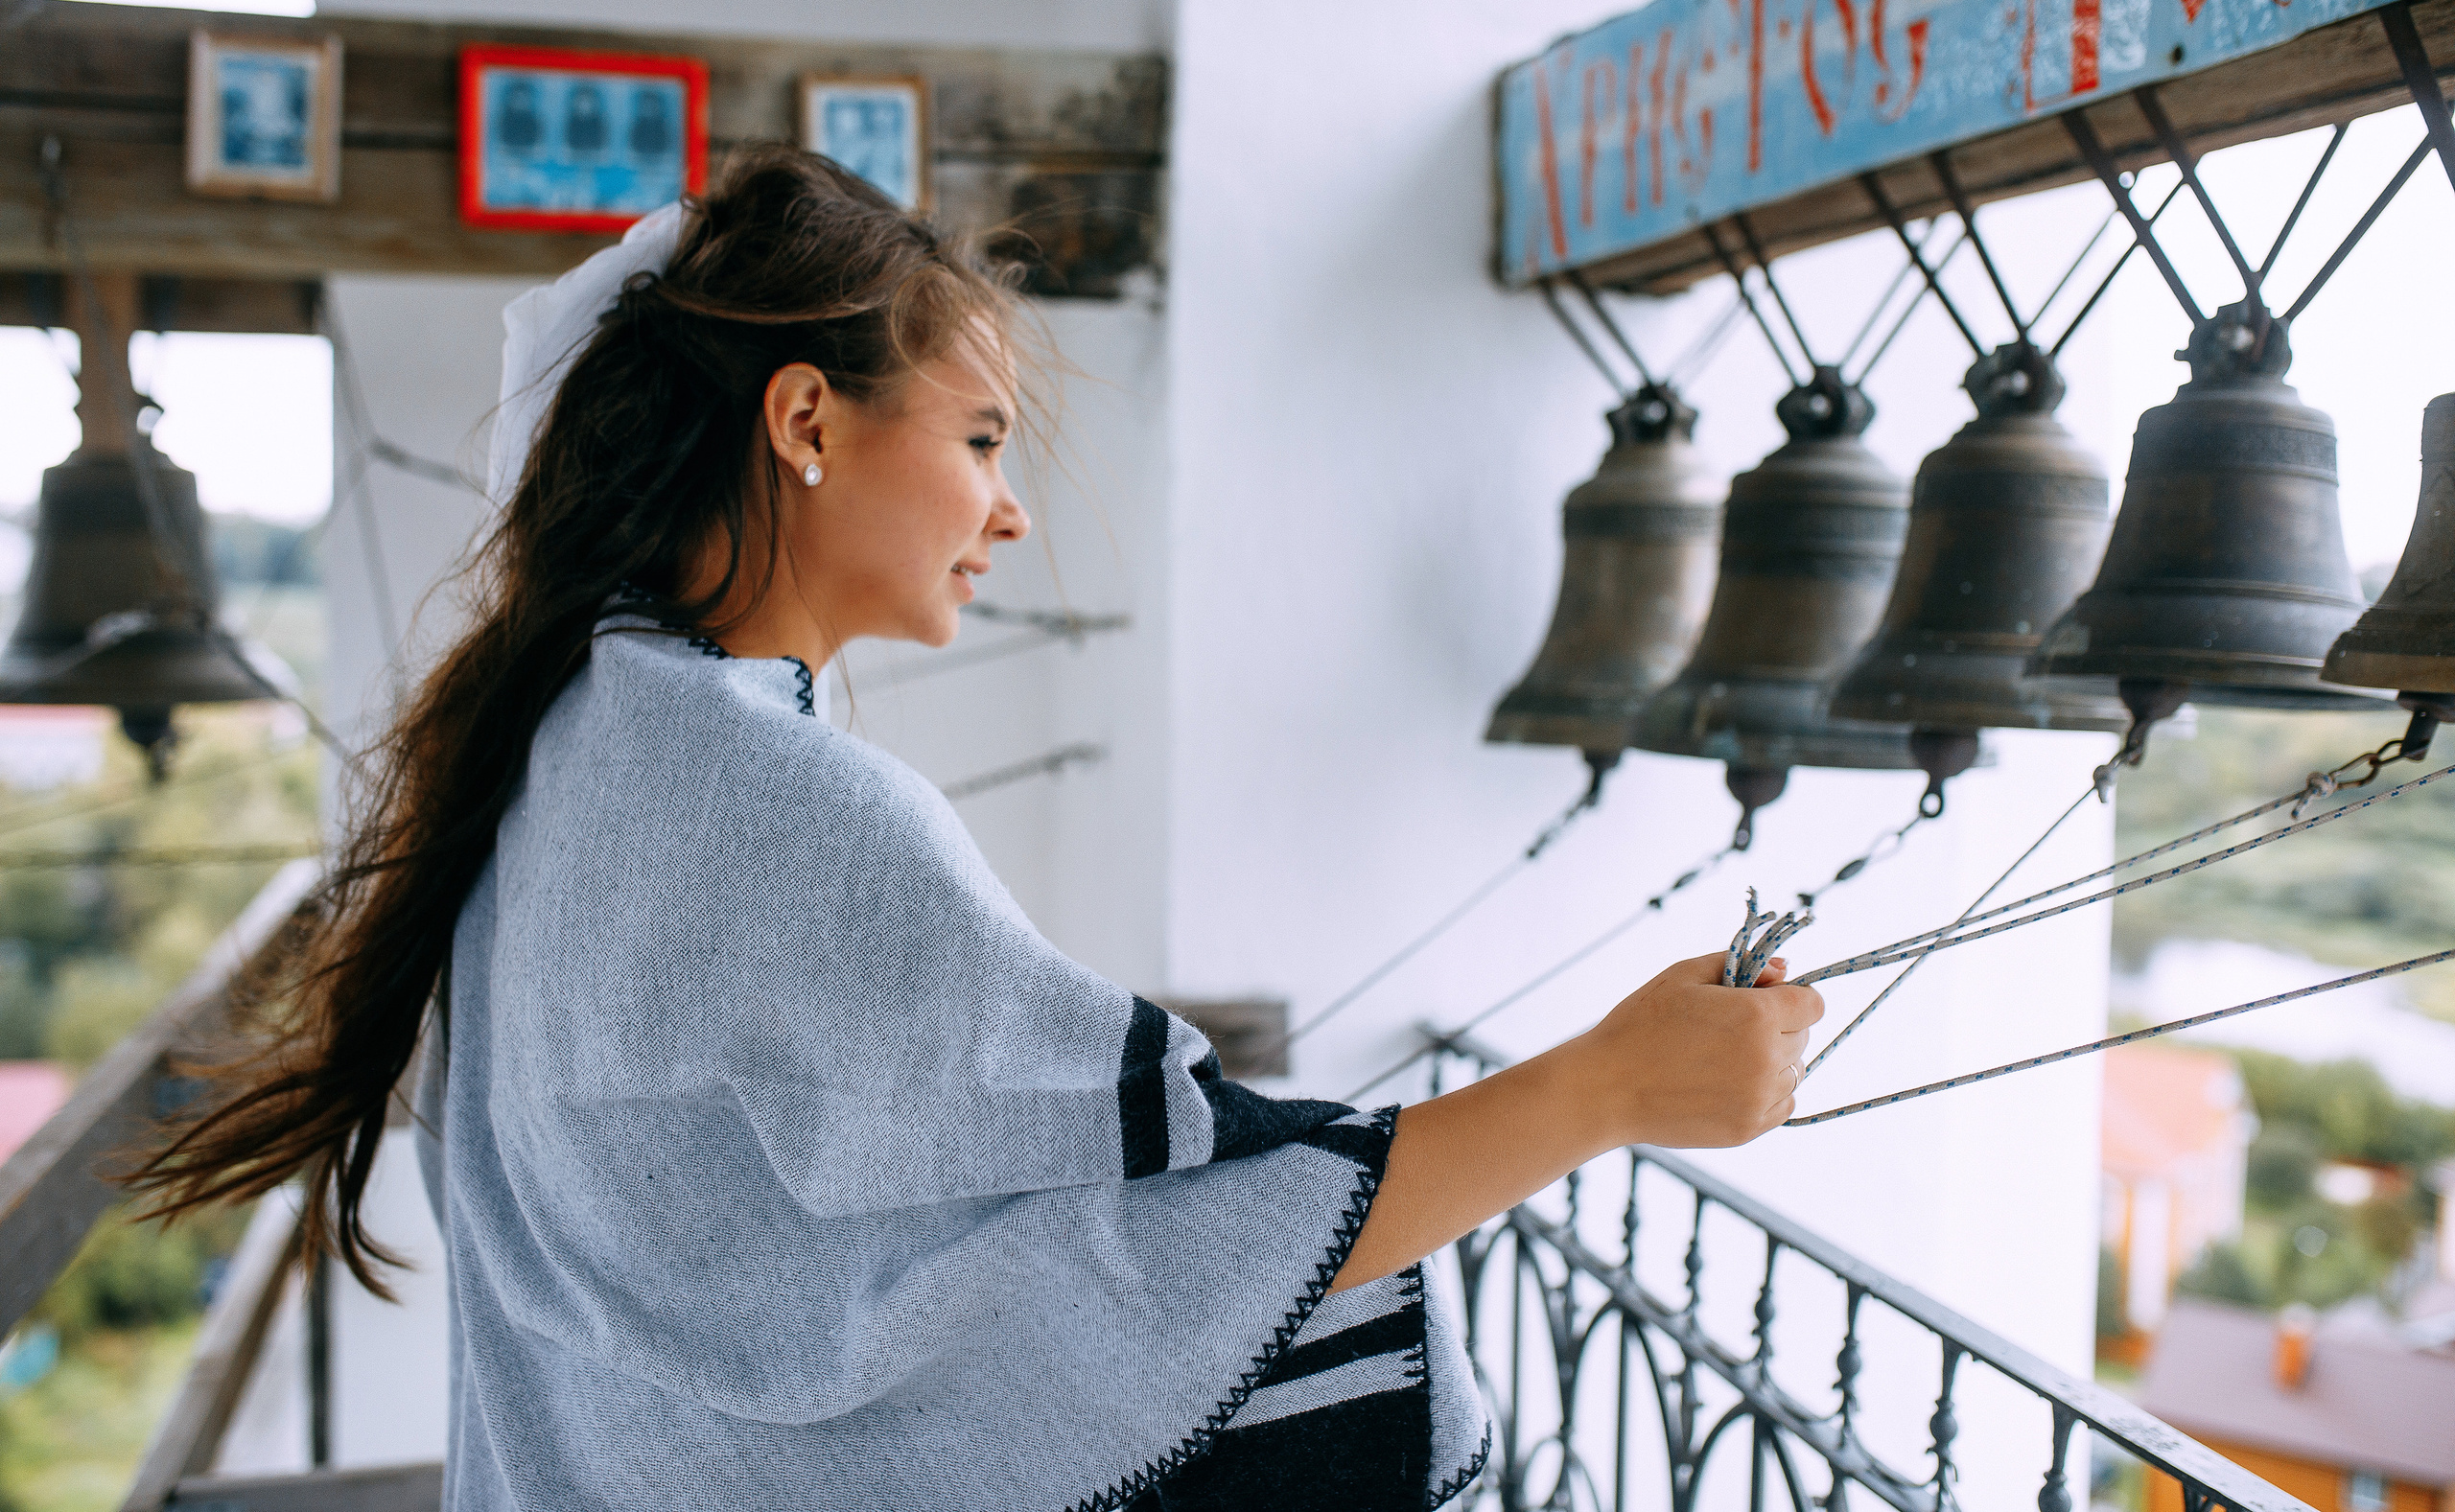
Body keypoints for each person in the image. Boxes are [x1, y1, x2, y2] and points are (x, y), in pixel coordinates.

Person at [133, 145, 1821, 1511]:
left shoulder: (570, 740)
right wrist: (1605, 1091)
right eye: (982, 438)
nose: (1009, 510)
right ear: (806, 421)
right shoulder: (779, 803)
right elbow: (1184, 1246)